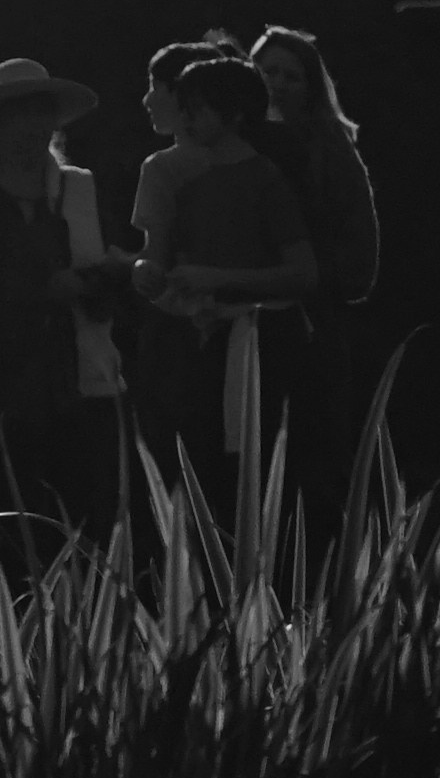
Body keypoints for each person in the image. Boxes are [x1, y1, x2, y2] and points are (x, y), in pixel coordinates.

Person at [0, 55, 129, 563]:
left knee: (74, 516)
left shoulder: (81, 187)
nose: (33, 127)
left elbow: (117, 269)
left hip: (69, 373)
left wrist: (84, 282)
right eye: (19, 114)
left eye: (42, 114)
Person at [129, 39, 318, 513]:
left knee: (255, 471)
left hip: (262, 346)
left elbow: (302, 273)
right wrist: (148, 275)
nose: (187, 121)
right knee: (204, 468)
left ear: (233, 116)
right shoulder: (187, 180)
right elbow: (162, 258)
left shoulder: (265, 180)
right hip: (205, 347)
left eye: (198, 111)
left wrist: (215, 277)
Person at [249, 25, 390, 492]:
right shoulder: (231, 148)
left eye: (292, 75)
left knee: (318, 469)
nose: (278, 83)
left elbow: (358, 261)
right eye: (268, 71)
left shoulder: (331, 148)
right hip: (243, 329)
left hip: (313, 329)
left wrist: (301, 279)